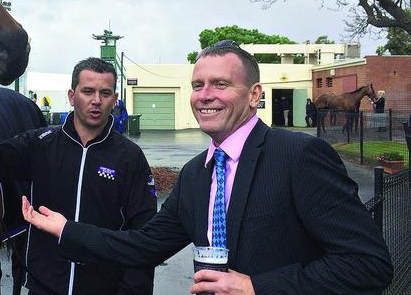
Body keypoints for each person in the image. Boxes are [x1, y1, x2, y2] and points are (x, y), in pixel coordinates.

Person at [22, 40, 393, 294]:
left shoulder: (298, 156)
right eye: (197, 84)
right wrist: (66, 229)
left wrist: (256, 287)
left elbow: (368, 264)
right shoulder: (197, 175)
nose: (205, 95)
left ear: (254, 95)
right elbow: (143, 246)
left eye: (220, 83)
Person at [0, 57, 157, 295]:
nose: (96, 101)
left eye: (105, 93)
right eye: (87, 91)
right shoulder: (40, 144)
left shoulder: (130, 157)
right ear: (71, 96)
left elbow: (144, 234)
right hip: (44, 287)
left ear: (115, 99)